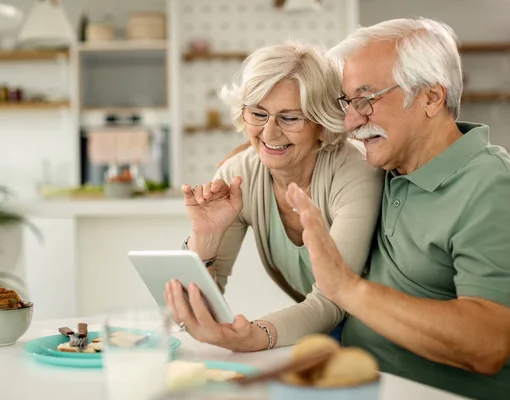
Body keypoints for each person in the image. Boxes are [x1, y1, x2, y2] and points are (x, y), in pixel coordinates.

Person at [277, 18, 510, 400]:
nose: (351, 121)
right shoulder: (381, 169)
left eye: (367, 99)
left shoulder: (492, 187)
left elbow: (487, 345)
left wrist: (348, 288)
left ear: (431, 97)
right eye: (348, 102)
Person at [164, 40, 384, 352]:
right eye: (258, 113)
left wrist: (257, 335)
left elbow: (335, 299)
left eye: (290, 118)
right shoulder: (238, 174)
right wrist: (205, 238)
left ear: (321, 123)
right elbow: (191, 314)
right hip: (319, 334)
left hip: (383, 336)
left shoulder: (354, 172)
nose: (269, 133)